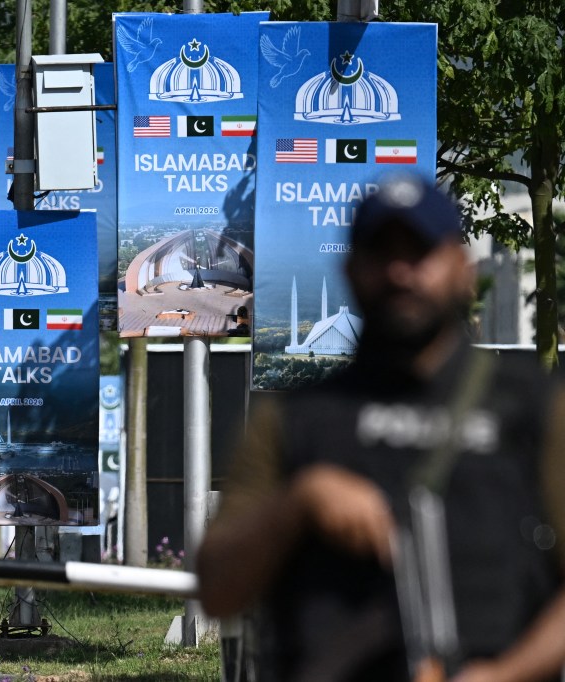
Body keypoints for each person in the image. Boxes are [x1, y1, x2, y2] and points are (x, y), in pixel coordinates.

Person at [197, 175, 565, 682]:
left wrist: (503, 674)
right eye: (381, 252)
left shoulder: (534, 408)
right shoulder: (297, 418)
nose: (400, 272)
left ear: (463, 269)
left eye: (420, 252)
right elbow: (217, 588)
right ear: (349, 270)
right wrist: (300, 502)